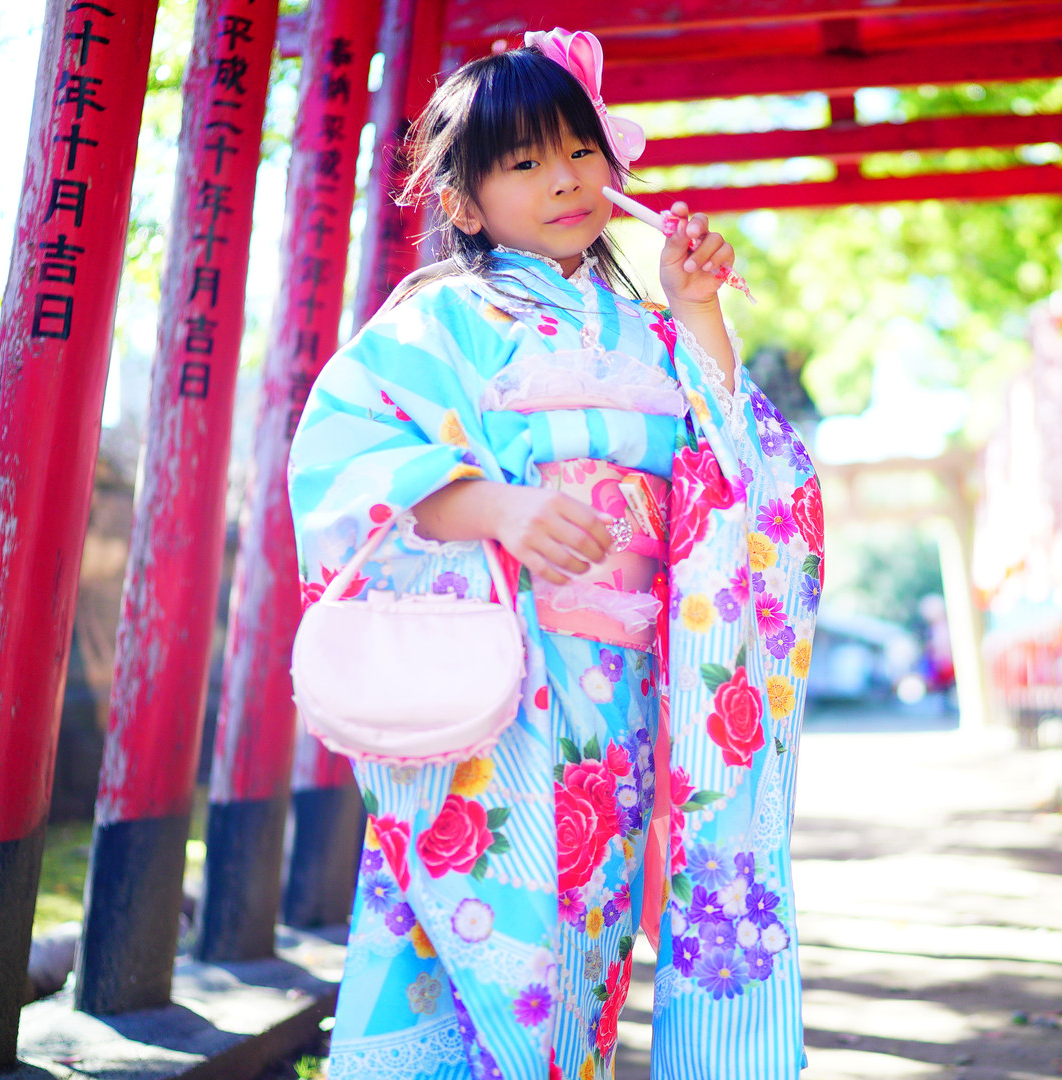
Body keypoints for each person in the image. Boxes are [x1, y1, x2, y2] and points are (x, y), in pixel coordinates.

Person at [287, 28, 824, 1080]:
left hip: (623, 689)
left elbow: (735, 465)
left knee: (585, 944)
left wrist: (696, 307)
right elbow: (345, 454)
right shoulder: (441, 319)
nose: (567, 178)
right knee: (499, 936)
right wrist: (495, 507)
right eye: (526, 162)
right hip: (507, 683)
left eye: (581, 151)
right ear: (463, 205)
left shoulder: (644, 326)